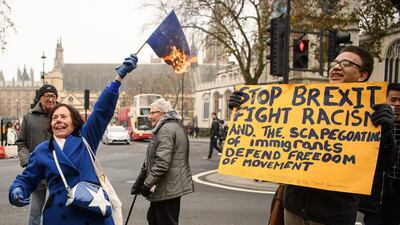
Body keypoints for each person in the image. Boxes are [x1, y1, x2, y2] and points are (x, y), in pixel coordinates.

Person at [228, 46, 396, 225]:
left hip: (332, 214)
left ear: (362, 75)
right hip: (293, 207)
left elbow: (385, 163)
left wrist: (385, 131)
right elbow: (269, 133)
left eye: (346, 63)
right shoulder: (306, 102)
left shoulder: (373, 110)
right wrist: (243, 108)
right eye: (335, 63)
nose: (337, 67)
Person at [8, 53, 138, 225]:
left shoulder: (85, 138)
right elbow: (26, 179)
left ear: (74, 122)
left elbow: (101, 110)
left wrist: (118, 78)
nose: (58, 120)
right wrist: (17, 190)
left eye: (63, 116)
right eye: (55, 118)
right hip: (59, 217)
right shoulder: (43, 150)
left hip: (92, 215)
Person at [131, 98, 194, 225]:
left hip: (168, 188)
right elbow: (151, 160)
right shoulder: (170, 127)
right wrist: (140, 183)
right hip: (167, 186)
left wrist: (147, 185)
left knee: (162, 221)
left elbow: (161, 163)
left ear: (163, 113)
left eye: (153, 113)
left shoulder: (166, 130)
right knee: (153, 218)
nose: (150, 116)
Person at [16, 83, 59, 225]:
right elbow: (21, 142)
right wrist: (28, 162)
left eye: (53, 96)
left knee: (59, 211)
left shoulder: (61, 115)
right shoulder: (29, 117)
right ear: (40, 98)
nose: (51, 99)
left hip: (57, 172)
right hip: (37, 172)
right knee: (35, 212)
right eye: (47, 96)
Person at [360, 83, 400, 225]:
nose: (398, 104)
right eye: (393, 100)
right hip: (379, 192)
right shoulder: (374, 125)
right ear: (385, 101)